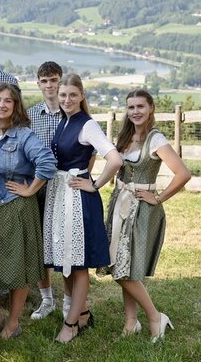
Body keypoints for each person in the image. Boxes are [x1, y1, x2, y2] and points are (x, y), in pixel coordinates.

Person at [101, 89, 191, 342]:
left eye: (141, 106)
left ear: (151, 108)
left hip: (142, 209)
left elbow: (183, 174)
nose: (136, 112)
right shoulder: (125, 137)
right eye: (131, 107)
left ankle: (154, 317)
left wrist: (159, 197)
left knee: (125, 269)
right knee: (122, 265)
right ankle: (131, 322)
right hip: (120, 205)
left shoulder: (156, 139)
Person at [0, 82, 56, 339]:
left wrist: (30, 190)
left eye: (8, 101)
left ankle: (14, 321)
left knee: (18, 265)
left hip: (14, 206)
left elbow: (47, 162)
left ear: (16, 106)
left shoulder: (23, 135)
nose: (2, 105)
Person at [42, 75, 123, 343]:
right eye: (63, 95)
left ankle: (71, 323)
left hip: (77, 198)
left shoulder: (87, 124)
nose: (66, 100)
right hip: (62, 194)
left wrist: (95, 184)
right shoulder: (64, 121)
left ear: (82, 96)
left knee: (78, 265)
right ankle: (83, 313)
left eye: (72, 95)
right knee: (65, 261)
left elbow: (114, 159)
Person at [27, 61, 65, 320]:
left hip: (65, 186)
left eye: (54, 80)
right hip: (39, 186)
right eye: (45, 81)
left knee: (64, 243)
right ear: (39, 84)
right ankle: (47, 299)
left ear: (61, 81)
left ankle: (70, 301)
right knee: (40, 243)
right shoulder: (30, 116)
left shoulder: (71, 112)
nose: (50, 85)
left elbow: (90, 154)